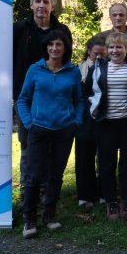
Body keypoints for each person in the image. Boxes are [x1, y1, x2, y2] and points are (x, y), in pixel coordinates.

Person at [15, 30, 82, 238]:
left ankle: (50, 215)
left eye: (59, 44)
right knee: (34, 176)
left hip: (64, 130)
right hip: (39, 129)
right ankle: (30, 219)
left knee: (56, 175)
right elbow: (22, 100)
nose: (54, 48)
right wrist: (29, 123)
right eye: (51, 44)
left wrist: (76, 121)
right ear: (46, 48)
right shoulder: (35, 70)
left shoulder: (73, 71)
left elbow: (79, 100)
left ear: (65, 48)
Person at [13, 0, 73, 186]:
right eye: (37, 1)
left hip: (55, 100)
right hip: (26, 100)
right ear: (31, 5)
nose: (41, 6)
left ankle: (48, 193)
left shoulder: (62, 31)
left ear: (53, 6)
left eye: (46, 2)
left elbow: (67, 64)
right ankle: (27, 192)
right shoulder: (19, 29)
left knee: (52, 149)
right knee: (27, 146)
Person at [86, 31, 127, 221]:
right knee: (106, 165)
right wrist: (93, 108)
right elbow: (86, 92)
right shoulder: (98, 67)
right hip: (105, 124)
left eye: (119, 47)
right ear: (107, 50)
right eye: (111, 47)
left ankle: (125, 201)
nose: (115, 51)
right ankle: (111, 203)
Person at [75, 36, 106, 211]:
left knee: (104, 157)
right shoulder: (78, 69)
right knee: (84, 156)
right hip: (84, 119)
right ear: (89, 52)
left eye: (103, 54)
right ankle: (85, 195)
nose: (100, 57)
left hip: (103, 119)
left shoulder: (108, 68)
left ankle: (103, 193)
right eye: (96, 54)